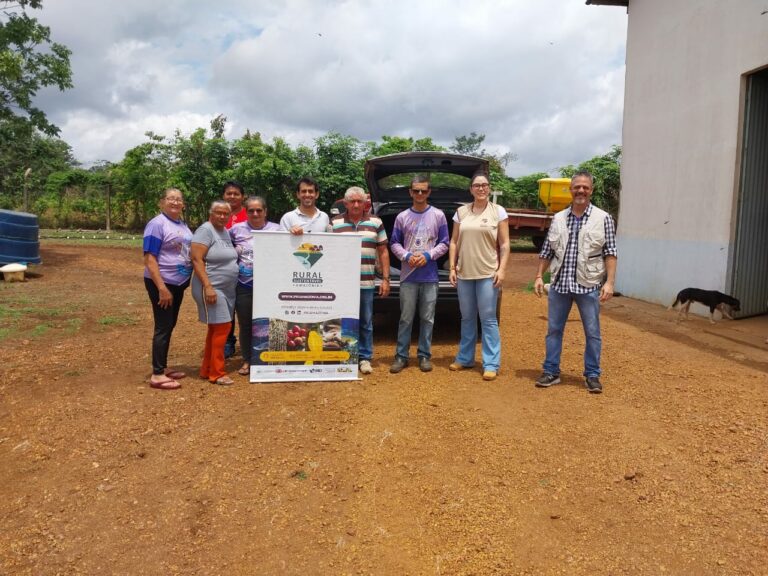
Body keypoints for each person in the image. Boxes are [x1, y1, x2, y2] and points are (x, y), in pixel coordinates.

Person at [533, 170, 617, 394]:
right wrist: (540, 276)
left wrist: (609, 283)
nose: (581, 190)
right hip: (560, 284)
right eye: (577, 187)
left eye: (585, 187)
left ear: (591, 190)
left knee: (592, 332)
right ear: (570, 190)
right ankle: (551, 371)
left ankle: (592, 375)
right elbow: (547, 250)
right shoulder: (559, 218)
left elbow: (610, 252)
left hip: (588, 285)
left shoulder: (603, 218)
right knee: (554, 330)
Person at [448, 172, 510, 381]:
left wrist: (501, 270)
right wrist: (452, 268)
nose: (481, 188)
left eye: (484, 185)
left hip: (487, 274)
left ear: (489, 188)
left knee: (488, 318)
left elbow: (504, 244)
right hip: (465, 273)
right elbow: (454, 241)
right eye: (477, 185)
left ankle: (491, 363)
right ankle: (465, 358)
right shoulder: (461, 212)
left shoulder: (498, 212)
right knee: (467, 317)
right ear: (471, 189)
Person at [389, 175, 449, 373]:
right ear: (410, 192)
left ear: (429, 192)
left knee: (427, 318)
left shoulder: (439, 215)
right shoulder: (402, 217)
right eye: (416, 190)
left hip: (430, 275)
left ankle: (424, 355)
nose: (420, 194)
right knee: (406, 318)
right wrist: (406, 256)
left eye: (424, 190)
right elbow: (394, 243)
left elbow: (445, 243)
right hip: (408, 276)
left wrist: (428, 255)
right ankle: (401, 356)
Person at [329, 186, 390, 375]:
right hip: (342, 284)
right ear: (345, 203)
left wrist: (386, 279)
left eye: (359, 201)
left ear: (365, 203)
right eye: (352, 201)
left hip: (366, 282)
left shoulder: (376, 221)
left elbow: (383, 251)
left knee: (365, 321)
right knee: (340, 321)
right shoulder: (335, 223)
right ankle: (343, 356)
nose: (356, 205)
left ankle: (364, 357)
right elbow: (328, 252)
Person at [142, 188, 193, 390]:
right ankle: (157, 374)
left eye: (178, 199)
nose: (175, 202)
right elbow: (149, 258)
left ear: (183, 204)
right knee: (163, 326)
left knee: (169, 324)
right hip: (163, 283)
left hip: (178, 283)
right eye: (170, 199)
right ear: (162, 202)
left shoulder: (181, 224)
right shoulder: (156, 224)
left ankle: (162, 367)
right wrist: (162, 287)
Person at [229, 196, 280, 376]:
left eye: (259, 210)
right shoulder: (236, 230)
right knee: (246, 324)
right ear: (246, 212)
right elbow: (225, 250)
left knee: (271, 323)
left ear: (265, 212)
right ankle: (247, 360)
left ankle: (269, 359)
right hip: (244, 285)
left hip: (270, 287)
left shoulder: (277, 229)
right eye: (251, 210)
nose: (255, 213)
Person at [190, 200, 239, 386]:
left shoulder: (224, 231)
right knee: (223, 328)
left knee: (216, 328)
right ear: (211, 213)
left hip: (226, 289)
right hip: (212, 287)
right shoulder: (205, 230)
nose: (222, 216)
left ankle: (207, 369)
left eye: (225, 213)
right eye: (218, 213)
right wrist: (208, 287)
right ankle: (217, 373)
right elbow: (196, 259)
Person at [222, 181, 247, 358]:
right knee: (227, 307)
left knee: (245, 307)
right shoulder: (219, 215)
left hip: (246, 269)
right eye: (229, 193)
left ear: (242, 197)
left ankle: (249, 342)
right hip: (224, 268)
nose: (232, 197)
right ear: (224, 196)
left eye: (236, 193)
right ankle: (228, 341)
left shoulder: (250, 213)